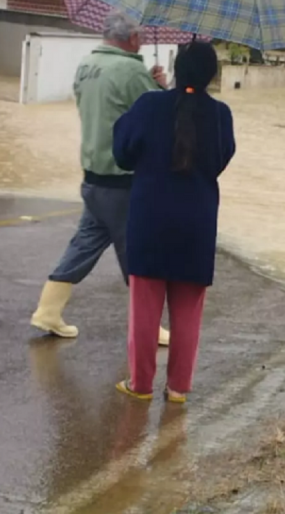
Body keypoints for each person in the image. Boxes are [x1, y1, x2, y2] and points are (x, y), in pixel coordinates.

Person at [29, 11, 171, 347]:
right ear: (133, 39)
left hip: (94, 176)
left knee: (84, 243)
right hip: (123, 180)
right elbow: (160, 117)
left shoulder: (87, 65)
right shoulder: (131, 69)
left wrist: (148, 84)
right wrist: (162, 86)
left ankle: (48, 311)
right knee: (137, 254)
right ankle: (148, 326)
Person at [112, 42, 235, 402]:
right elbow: (219, 161)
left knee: (144, 310)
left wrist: (154, 93)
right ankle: (179, 388)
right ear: (212, 76)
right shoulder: (221, 115)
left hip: (150, 219)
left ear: (176, 69)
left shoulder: (150, 104)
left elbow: (121, 153)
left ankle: (141, 385)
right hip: (196, 223)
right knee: (188, 313)